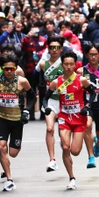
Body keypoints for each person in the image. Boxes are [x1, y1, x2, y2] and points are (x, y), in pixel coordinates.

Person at [45, 51, 95, 190]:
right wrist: (46, 107)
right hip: (64, 118)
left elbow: (93, 94)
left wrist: (87, 107)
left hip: (79, 119)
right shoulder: (56, 82)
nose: (68, 67)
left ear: (75, 65)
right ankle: (72, 177)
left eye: (71, 64)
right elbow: (45, 97)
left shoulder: (81, 80)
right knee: (66, 147)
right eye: (66, 64)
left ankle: (84, 140)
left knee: (75, 151)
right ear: (62, 65)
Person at [0, 53, 34, 192]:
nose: (9, 71)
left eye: (12, 69)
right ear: (2, 68)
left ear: (15, 68)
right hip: (3, 119)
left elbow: (32, 97)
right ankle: (9, 179)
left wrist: (26, 110)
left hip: (17, 120)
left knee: (13, 152)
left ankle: (7, 162)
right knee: (1, 147)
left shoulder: (22, 82)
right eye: (6, 69)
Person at [39, 36, 65, 173]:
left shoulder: (65, 63)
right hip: (50, 100)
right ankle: (52, 160)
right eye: (51, 47)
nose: (54, 50)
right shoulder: (43, 65)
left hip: (64, 101)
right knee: (50, 128)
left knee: (63, 134)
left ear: (61, 49)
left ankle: (64, 150)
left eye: (57, 47)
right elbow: (39, 82)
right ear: (48, 49)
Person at [78, 45, 99, 167]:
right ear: (87, 56)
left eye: (95, 54)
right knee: (87, 125)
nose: (93, 57)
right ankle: (90, 157)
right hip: (88, 104)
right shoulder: (81, 71)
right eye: (91, 54)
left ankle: (98, 144)